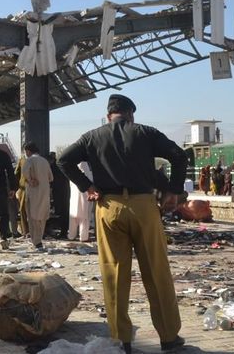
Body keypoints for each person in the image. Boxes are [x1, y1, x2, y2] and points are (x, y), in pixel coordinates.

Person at [58, 94, 186, 353]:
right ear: (131, 114)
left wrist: (88, 186)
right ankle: (169, 337)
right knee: (156, 271)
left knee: (114, 273)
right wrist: (173, 190)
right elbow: (179, 156)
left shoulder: (92, 136)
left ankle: (122, 339)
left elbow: (64, 160)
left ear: (108, 116)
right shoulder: (146, 133)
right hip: (143, 206)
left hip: (109, 207)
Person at [22, 143, 53, 250]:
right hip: (44, 192)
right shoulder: (44, 161)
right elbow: (50, 177)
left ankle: (36, 241)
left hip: (33, 191)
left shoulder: (29, 160)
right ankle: (39, 239)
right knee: (42, 216)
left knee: (32, 216)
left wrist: (30, 180)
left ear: (28, 151)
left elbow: (24, 172)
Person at [68, 162, 94, 242]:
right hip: (84, 196)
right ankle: (83, 237)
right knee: (84, 217)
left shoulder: (72, 174)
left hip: (74, 197)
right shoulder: (87, 172)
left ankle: (71, 235)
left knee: (73, 217)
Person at [48, 152, 70, 239]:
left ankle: (62, 232)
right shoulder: (62, 165)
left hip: (58, 192)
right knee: (65, 212)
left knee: (60, 213)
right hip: (65, 191)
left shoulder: (52, 167)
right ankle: (64, 231)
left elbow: (51, 180)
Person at [14, 155, 29, 236]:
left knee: (23, 210)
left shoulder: (22, 160)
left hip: (23, 188)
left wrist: (16, 188)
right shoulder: (39, 159)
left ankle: (25, 231)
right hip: (34, 188)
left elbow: (16, 173)